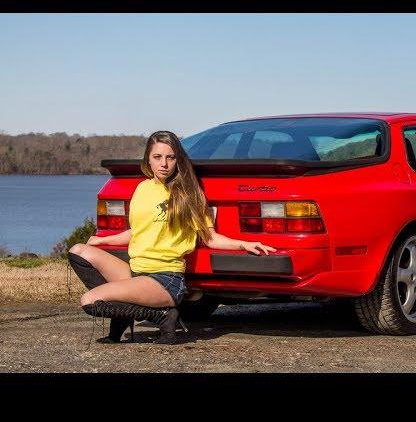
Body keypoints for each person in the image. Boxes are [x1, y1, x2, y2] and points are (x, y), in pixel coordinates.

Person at [69, 130, 276, 344]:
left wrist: (244, 243)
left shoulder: (187, 194)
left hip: (165, 280)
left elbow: (209, 238)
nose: (164, 164)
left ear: (178, 160)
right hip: (136, 270)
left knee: (90, 301)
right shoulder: (142, 188)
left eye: (170, 157)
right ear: (148, 159)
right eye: (157, 157)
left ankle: (163, 315)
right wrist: (102, 241)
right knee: (78, 251)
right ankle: (124, 311)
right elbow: (139, 231)